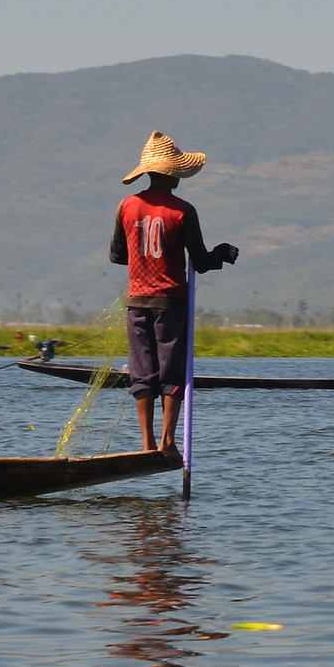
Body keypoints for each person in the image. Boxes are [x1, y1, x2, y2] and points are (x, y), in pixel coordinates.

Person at [110, 132, 239, 451]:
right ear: (172, 174)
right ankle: (168, 441)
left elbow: (117, 255)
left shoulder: (126, 206)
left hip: (137, 302)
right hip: (171, 303)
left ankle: (147, 442)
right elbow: (202, 261)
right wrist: (220, 253)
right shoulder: (183, 211)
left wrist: (142, 257)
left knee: (142, 373)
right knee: (171, 372)